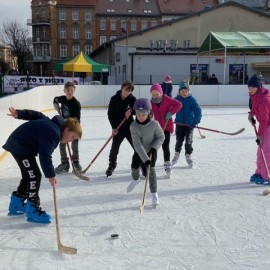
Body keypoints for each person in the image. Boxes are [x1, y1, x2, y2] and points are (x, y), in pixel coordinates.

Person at [3, 107, 82, 223]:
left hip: (20, 145)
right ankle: (32, 211)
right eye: (72, 137)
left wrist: (20, 113)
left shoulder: (51, 123)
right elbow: (45, 155)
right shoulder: (53, 132)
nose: (71, 141)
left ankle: (17, 204)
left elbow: (36, 115)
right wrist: (51, 175)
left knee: (29, 175)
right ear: (66, 129)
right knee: (34, 176)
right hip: (20, 146)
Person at [127, 98, 165, 207]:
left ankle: (154, 193)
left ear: (148, 113)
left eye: (143, 114)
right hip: (140, 151)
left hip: (152, 150)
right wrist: (146, 160)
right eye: (138, 114)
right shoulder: (133, 126)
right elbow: (137, 145)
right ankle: (136, 179)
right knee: (134, 167)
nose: (141, 117)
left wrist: (154, 148)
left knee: (151, 172)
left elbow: (161, 137)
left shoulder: (155, 124)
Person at [150, 83, 182, 175]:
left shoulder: (166, 99)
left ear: (161, 92)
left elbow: (179, 105)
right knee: (154, 147)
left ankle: (167, 164)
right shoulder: (151, 102)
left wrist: (171, 112)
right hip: (156, 128)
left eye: (157, 94)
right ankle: (151, 165)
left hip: (166, 126)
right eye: (153, 94)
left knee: (165, 146)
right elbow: (148, 113)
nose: (155, 96)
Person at [106, 80, 137, 177]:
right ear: (122, 88)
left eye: (130, 90)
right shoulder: (114, 99)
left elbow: (137, 112)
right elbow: (110, 114)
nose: (127, 92)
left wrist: (131, 112)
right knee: (114, 148)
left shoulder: (133, 99)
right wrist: (113, 127)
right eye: (126, 89)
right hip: (118, 128)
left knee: (137, 147)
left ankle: (139, 165)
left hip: (129, 128)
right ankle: (112, 165)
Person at [53, 81, 82, 173]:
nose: (70, 92)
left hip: (74, 126)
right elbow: (55, 99)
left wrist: (71, 126)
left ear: (74, 91)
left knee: (74, 144)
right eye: (68, 90)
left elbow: (77, 119)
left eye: (72, 90)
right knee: (62, 144)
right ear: (64, 90)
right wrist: (56, 107)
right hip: (64, 126)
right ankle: (65, 163)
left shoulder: (76, 103)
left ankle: (76, 162)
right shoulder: (62, 99)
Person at [173, 80, 202, 167]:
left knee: (188, 141)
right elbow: (169, 107)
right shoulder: (176, 100)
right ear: (179, 92)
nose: (184, 93)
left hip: (189, 125)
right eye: (182, 91)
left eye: (186, 91)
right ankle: (177, 154)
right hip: (179, 124)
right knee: (179, 140)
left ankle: (188, 155)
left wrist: (195, 121)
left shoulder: (192, 100)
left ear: (188, 91)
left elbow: (198, 111)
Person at [247, 75, 270, 184]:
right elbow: (255, 108)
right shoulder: (256, 95)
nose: (250, 89)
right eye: (249, 87)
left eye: (253, 87)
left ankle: (266, 176)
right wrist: (251, 114)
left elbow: (265, 119)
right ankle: (260, 173)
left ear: (258, 86)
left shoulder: (264, 99)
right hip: (265, 124)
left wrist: (260, 135)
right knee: (260, 151)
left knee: (266, 151)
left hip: (267, 125)